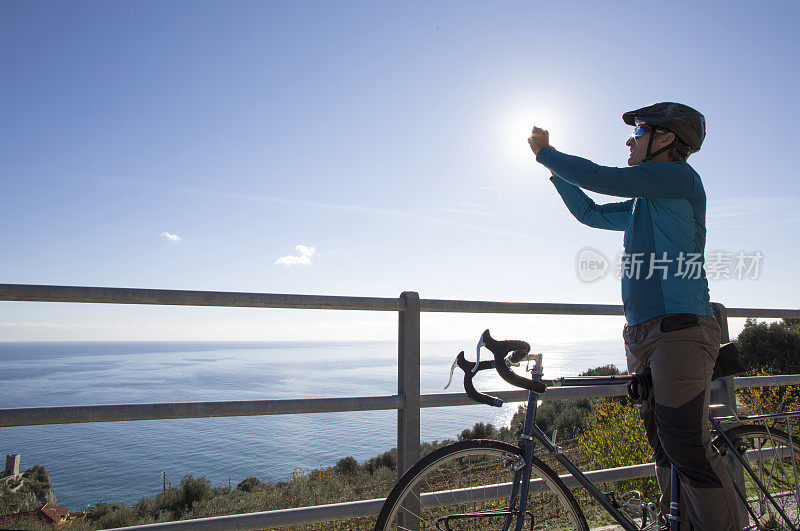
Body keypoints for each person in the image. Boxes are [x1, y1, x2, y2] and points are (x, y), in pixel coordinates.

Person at [528, 102, 741, 530]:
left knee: (686, 444)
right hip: (641, 335)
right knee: (663, 444)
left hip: (679, 329)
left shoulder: (677, 178)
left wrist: (546, 152)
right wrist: (555, 175)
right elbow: (589, 213)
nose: (630, 138)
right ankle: (678, 522)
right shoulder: (645, 203)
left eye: (639, 130)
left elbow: (602, 178)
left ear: (664, 140)